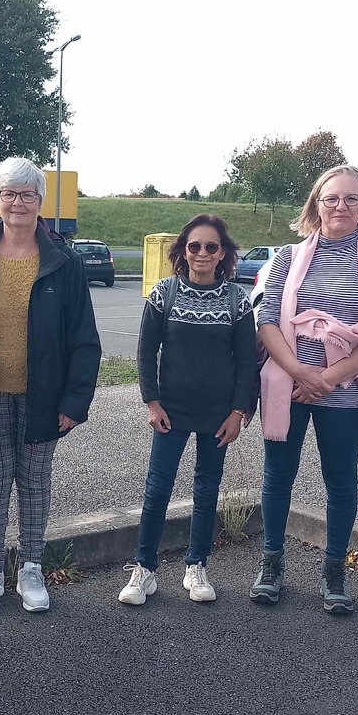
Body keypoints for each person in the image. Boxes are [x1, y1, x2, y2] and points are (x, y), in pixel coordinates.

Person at [0, 157, 101, 616]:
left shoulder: (64, 263)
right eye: (9, 194)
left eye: (28, 195)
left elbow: (84, 339)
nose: (18, 203)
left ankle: (31, 567)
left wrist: (75, 400)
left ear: (40, 202)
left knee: (33, 482)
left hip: (44, 396)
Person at [253, 165, 358, 613]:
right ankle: (271, 563)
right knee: (278, 475)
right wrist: (300, 371)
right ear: (316, 204)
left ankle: (335, 570)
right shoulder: (287, 257)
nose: (340, 206)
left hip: (343, 391)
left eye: (352, 199)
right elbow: (267, 321)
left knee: (341, 480)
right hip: (287, 385)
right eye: (331, 198)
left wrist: (326, 379)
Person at [119, 213, 258, 606]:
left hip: (218, 414)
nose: (202, 253)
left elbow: (247, 362)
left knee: (206, 490)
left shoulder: (237, 300)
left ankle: (196, 566)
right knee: (157, 489)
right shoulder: (164, 293)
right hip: (170, 411)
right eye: (194, 246)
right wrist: (152, 402)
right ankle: (144, 570)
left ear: (222, 253)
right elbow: (146, 351)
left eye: (211, 246)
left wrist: (238, 412)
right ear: (183, 251)